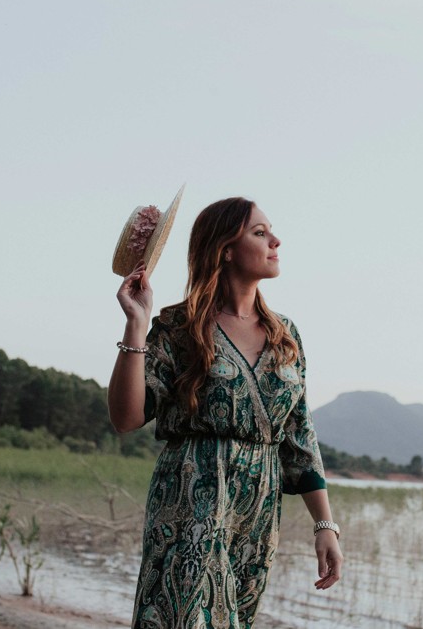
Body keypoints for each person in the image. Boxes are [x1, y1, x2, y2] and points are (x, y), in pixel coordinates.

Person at [108, 196, 342, 629]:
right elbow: (127, 417)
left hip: (257, 508)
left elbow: (299, 435)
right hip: (191, 494)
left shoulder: (285, 335)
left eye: (270, 231)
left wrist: (323, 525)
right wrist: (135, 326)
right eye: (259, 232)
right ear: (225, 249)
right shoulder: (178, 328)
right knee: (182, 617)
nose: (275, 240)